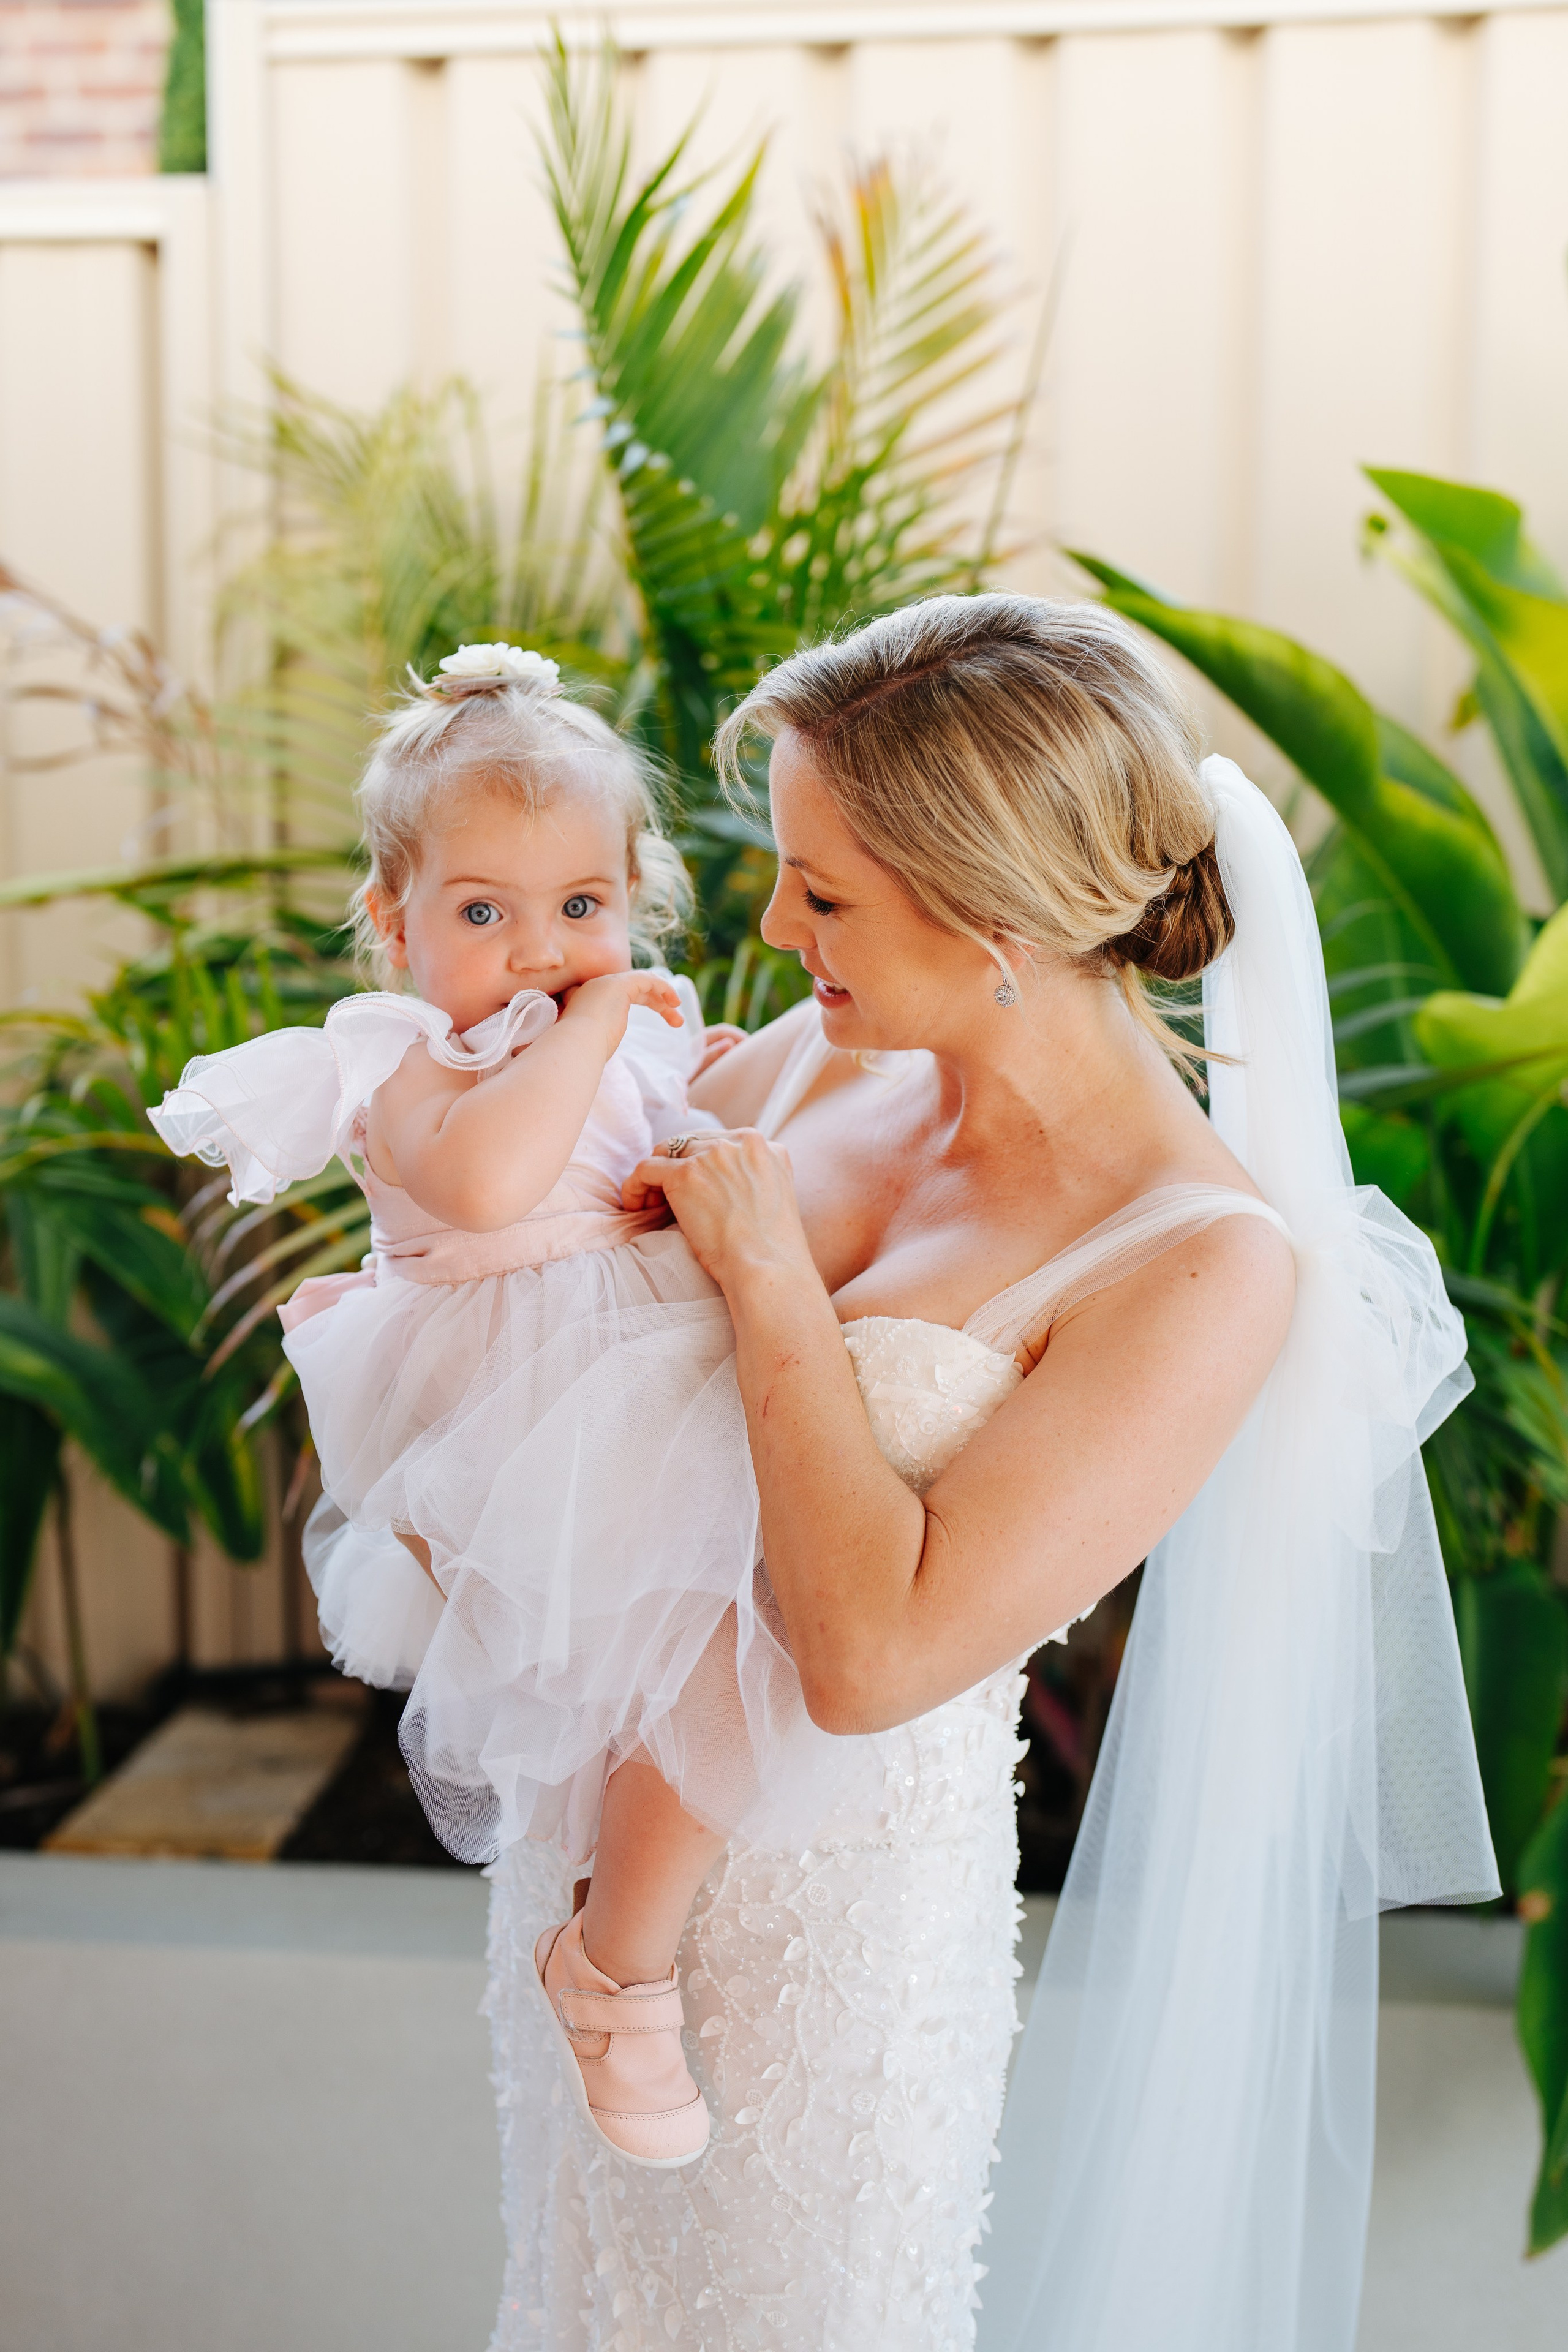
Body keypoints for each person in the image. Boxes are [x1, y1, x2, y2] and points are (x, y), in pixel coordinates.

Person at [482, 593, 1495, 2350]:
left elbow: (872, 1656)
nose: (778, 922)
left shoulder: (1198, 1264)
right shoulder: (823, 1053)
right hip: (590, 1853)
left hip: (830, 1940)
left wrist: (773, 1278)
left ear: (1001, 916)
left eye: (828, 892)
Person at [151, 643, 820, 2170]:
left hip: (639, 1359)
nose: (540, 953)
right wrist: (599, 1031)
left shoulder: (629, 1033)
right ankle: (616, 1974)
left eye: (580, 911)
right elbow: (489, 1180)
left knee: (715, 1641)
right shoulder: (399, 1058)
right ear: (393, 924)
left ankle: (626, 1938)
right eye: (483, 913)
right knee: (670, 1643)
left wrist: (678, 1089)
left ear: (633, 900)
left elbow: (657, 1148)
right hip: (511, 1399)